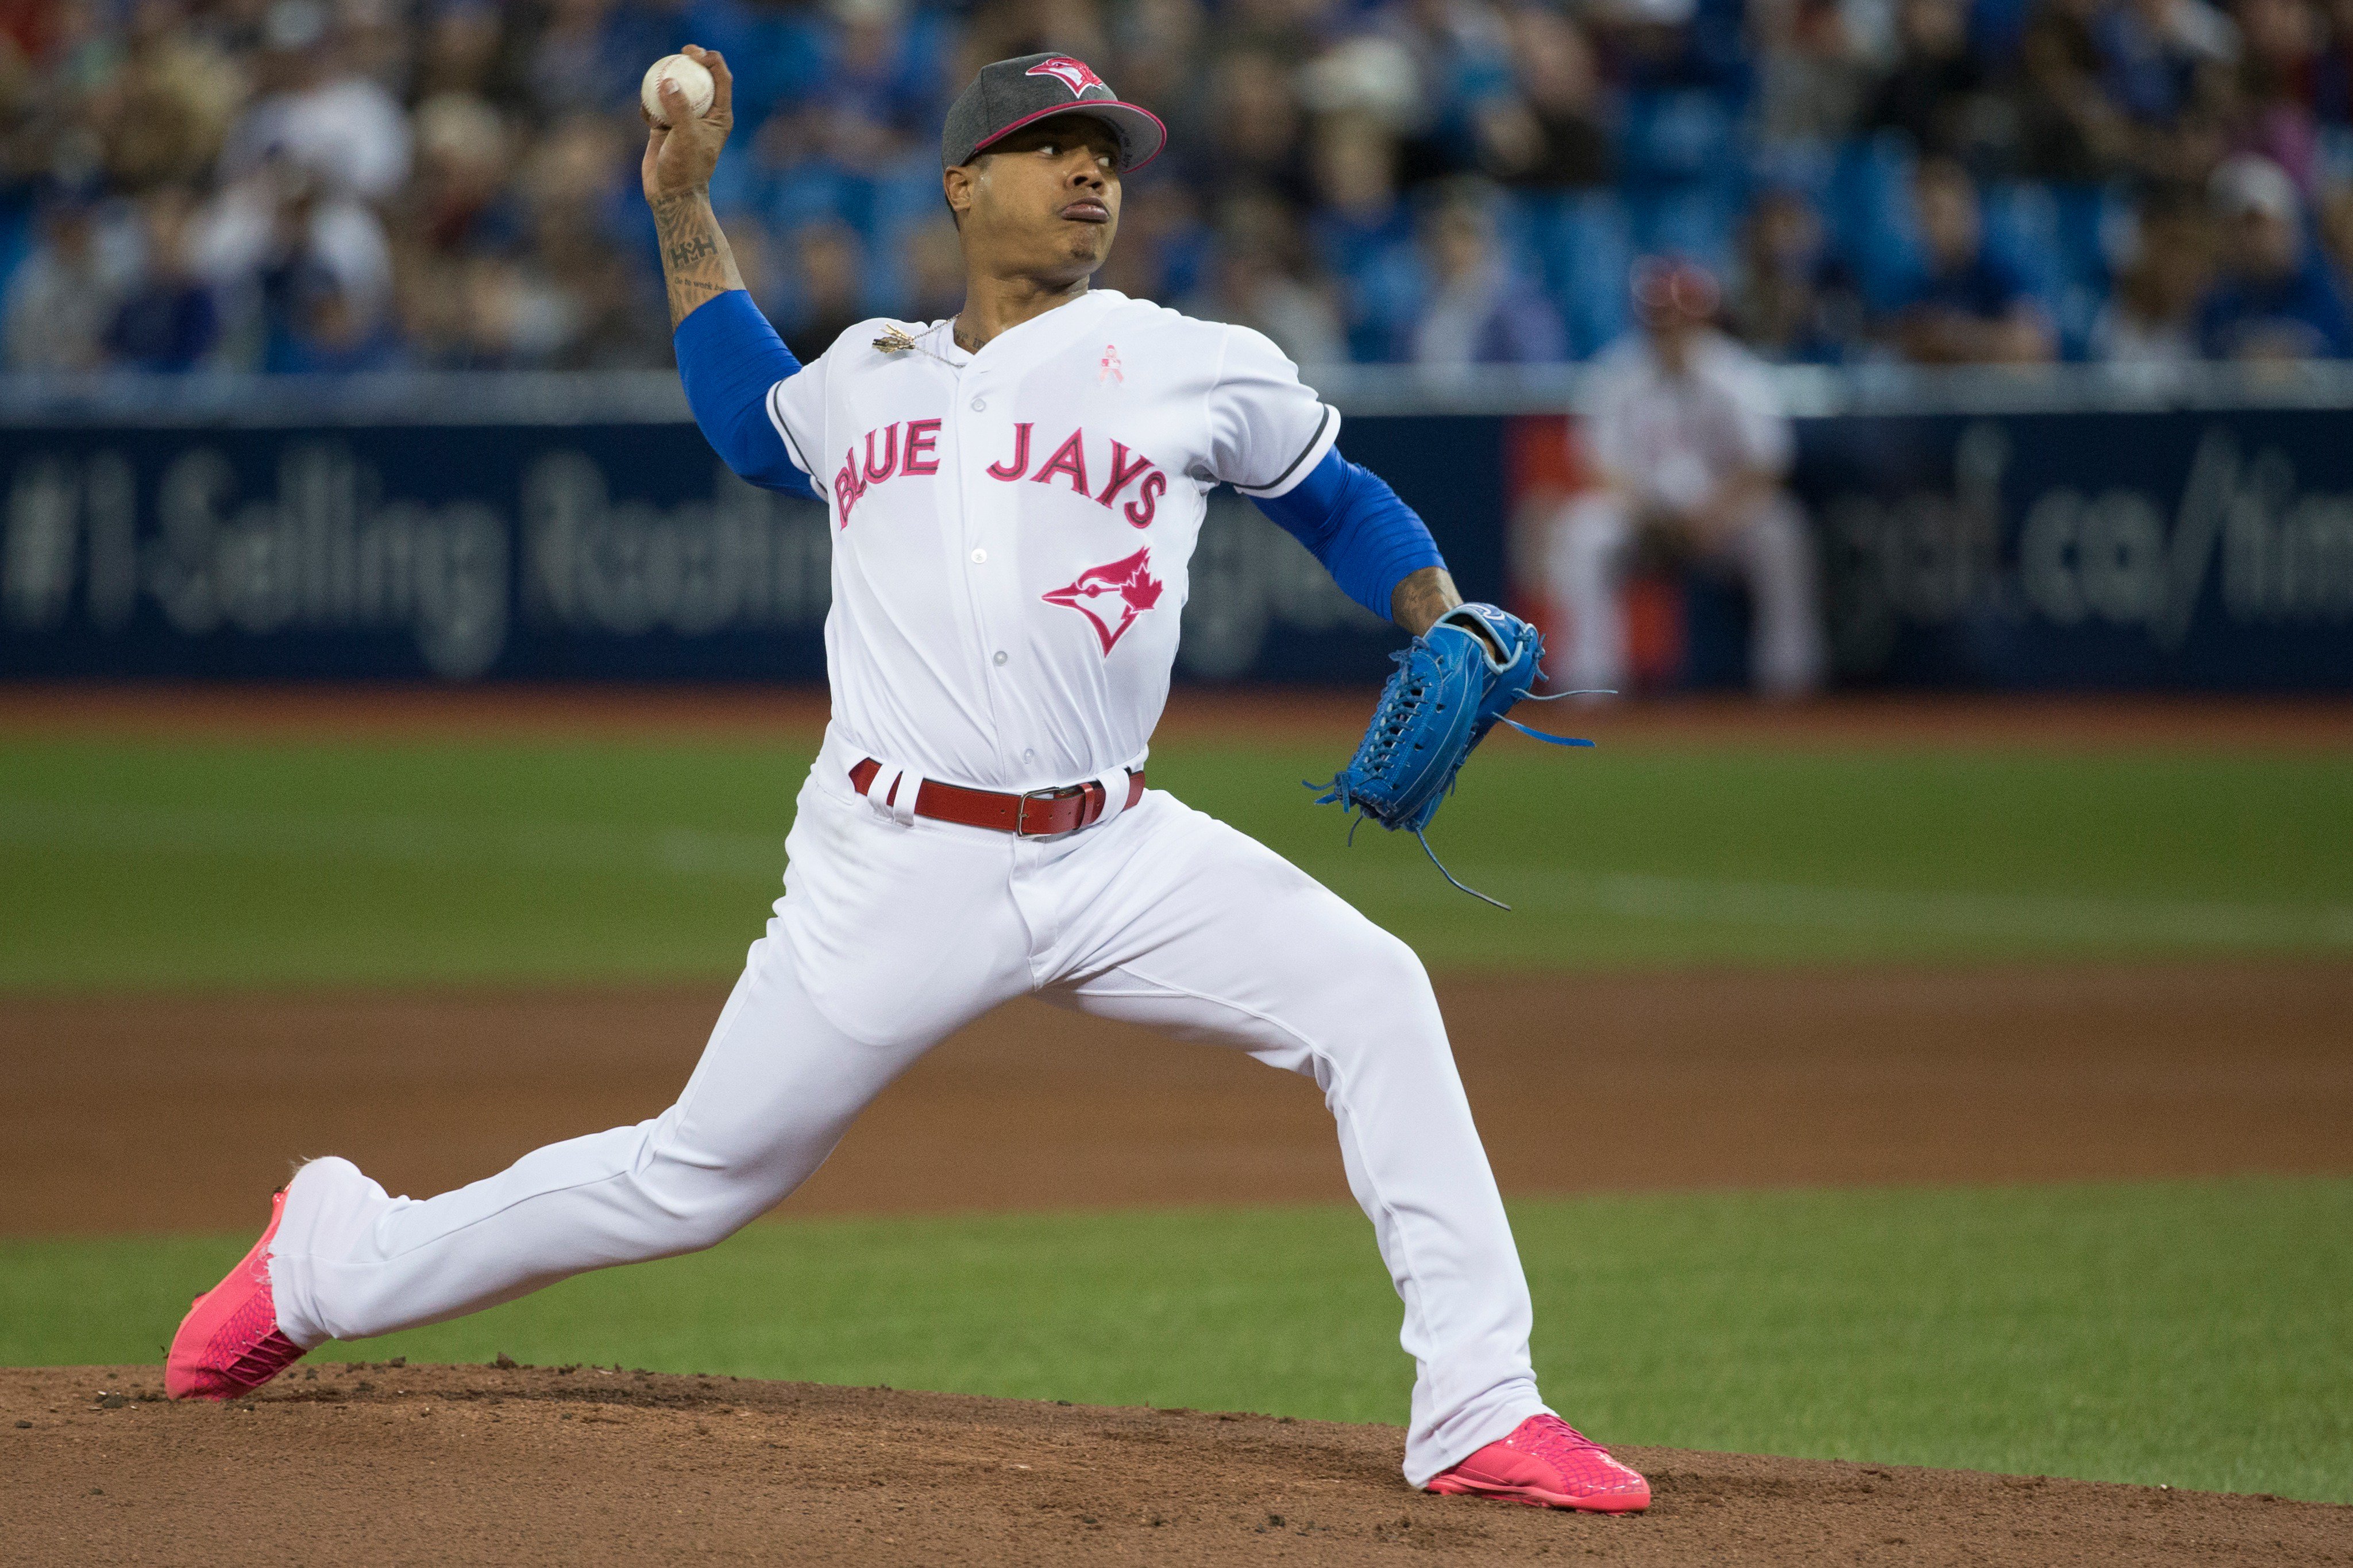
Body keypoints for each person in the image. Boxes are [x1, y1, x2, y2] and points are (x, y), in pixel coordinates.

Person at [163, 48, 1653, 1517]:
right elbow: (749, 419)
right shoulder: (872, 371)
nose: (1090, 171)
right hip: (894, 860)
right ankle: (326, 1259)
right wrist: (683, 203)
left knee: (1375, 991)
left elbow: (1339, 498)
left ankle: (1480, 1405)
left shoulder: (1192, 355)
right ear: (962, 182)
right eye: (1053, 144)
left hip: (1115, 846)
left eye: (1110, 153)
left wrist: (1438, 609)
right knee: (696, 1177)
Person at [1545, 257, 1827, 698]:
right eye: (1662, 313)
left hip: (1723, 519)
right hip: (1642, 518)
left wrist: (1712, 517)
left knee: (1780, 531)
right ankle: (1590, 684)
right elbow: (1596, 466)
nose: (1672, 324)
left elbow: (1768, 468)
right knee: (1583, 532)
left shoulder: (1737, 374)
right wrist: (1647, 514)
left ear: (1703, 316)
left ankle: (1789, 679)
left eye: (1683, 312)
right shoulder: (1616, 373)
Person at [1891, 157, 2057, 363]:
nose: (1929, 228)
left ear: (1968, 210)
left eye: (1938, 213)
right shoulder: (1927, 277)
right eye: (1919, 216)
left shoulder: (2003, 258)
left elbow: (2034, 345)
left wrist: (1954, 337)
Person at [2195, 152, 2353, 359]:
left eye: (2255, 224)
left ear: (2288, 225)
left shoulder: (2331, 290)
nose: (2244, 238)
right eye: (2232, 226)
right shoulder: (2217, 300)